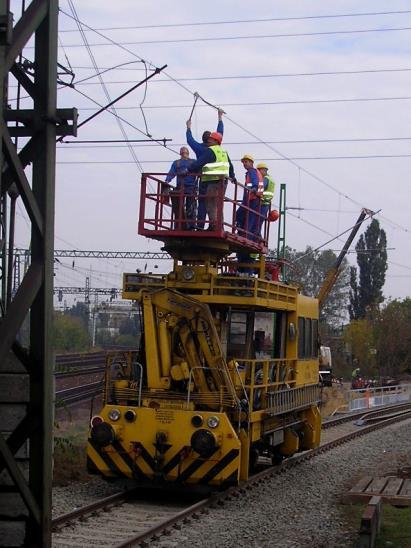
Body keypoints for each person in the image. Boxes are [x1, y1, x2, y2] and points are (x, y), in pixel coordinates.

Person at [187, 132, 234, 231]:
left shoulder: (211, 151)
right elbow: (230, 165)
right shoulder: (223, 151)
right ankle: (219, 225)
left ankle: (214, 226)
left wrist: (189, 169)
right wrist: (232, 176)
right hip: (223, 181)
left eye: (211, 139)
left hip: (213, 181)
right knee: (218, 203)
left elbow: (199, 162)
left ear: (216, 141)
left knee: (211, 203)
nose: (208, 140)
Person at [186, 109, 224, 228]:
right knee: (216, 203)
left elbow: (190, 140)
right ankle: (217, 225)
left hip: (204, 179)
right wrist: (220, 118)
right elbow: (220, 133)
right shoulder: (217, 148)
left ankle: (200, 226)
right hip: (219, 180)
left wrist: (188, 128)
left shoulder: (199, 148)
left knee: (203, 201)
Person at [165, 147, 196, 229]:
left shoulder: (193, 162)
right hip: (181, 186)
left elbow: (198, 171)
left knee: (190, 207)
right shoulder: (177, 163)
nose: (184, 154)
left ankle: (190, 225)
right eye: (182, 153)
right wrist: (167, 180)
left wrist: (167, 180)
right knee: (179, 207)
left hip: (190, 186)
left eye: (184, 152)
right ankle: (181, 225)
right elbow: (172, 172)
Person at [236, 154, 264, 240]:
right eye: (243, 162)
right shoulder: (255, 172)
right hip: (254, 198)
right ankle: (246, 234)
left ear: (251, 162)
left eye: (246, 162)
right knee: (249, 216)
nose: (244, 164)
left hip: (252, 198)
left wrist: (254, 188)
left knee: (240, 214)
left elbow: (254, 182)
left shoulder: (252, 171)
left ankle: (243, 233)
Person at [256, 163, 276, 238]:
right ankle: (258, 234)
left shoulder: (265, 179)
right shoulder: (271, 179)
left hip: (262, 202)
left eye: (258, 171)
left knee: (257, 219)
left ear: (263, 170)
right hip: (266, 203)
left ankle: (256, 234)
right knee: (260, 219)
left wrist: (254, 191)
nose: (257, 173)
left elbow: (261, 188)